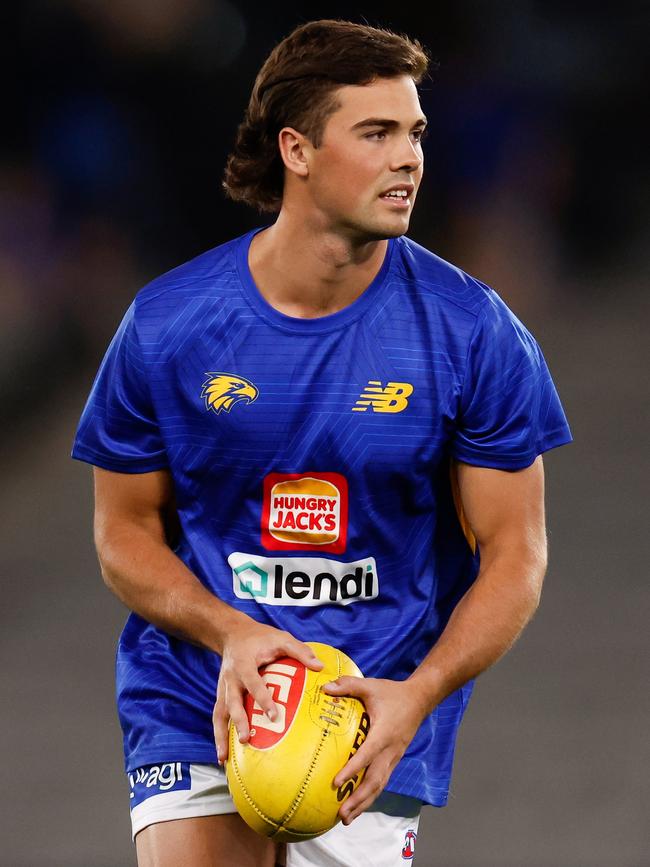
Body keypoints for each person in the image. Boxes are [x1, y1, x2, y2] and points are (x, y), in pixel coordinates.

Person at [72, 18, 572, 867]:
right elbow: (123, 531)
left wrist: (419, 692)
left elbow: (517, 552)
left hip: (372, 711)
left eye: (414, 132)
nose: (408, 156)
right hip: (200, 688)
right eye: (374, 133)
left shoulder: (472, 332)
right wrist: (227, 629)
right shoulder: (168, 324)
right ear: (296, 149)